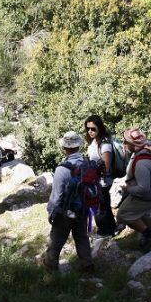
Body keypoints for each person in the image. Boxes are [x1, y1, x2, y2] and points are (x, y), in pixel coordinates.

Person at [40, 132, 95, 272]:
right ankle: (87, 264)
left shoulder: (62, 169)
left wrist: (51, 212)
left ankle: (50, 265)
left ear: (64, 148)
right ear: (78, 146)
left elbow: (56, 196)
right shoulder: (86, 163)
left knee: (57, 238)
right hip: (83, 208)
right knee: (81, 236)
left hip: (65, 211)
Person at [117, 128, 151, 251]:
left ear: (133, 144)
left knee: (123, 214)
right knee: (134, 212)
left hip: (149, 194)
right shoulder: (148, 150)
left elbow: (143, 189)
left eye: (126, 142)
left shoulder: (142, 162)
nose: (124, 144)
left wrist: (127, 188)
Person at [85, 114, 120, 237]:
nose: (90, 131)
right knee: (103, 206)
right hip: (96, 181)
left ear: (99, 128)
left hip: (103, 182)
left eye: (93, 129)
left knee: (101, 208)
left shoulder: (105, 144)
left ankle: (105, 232)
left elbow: (106, 166)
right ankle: (111, 228)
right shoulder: (94, 142)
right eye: (88, 128)